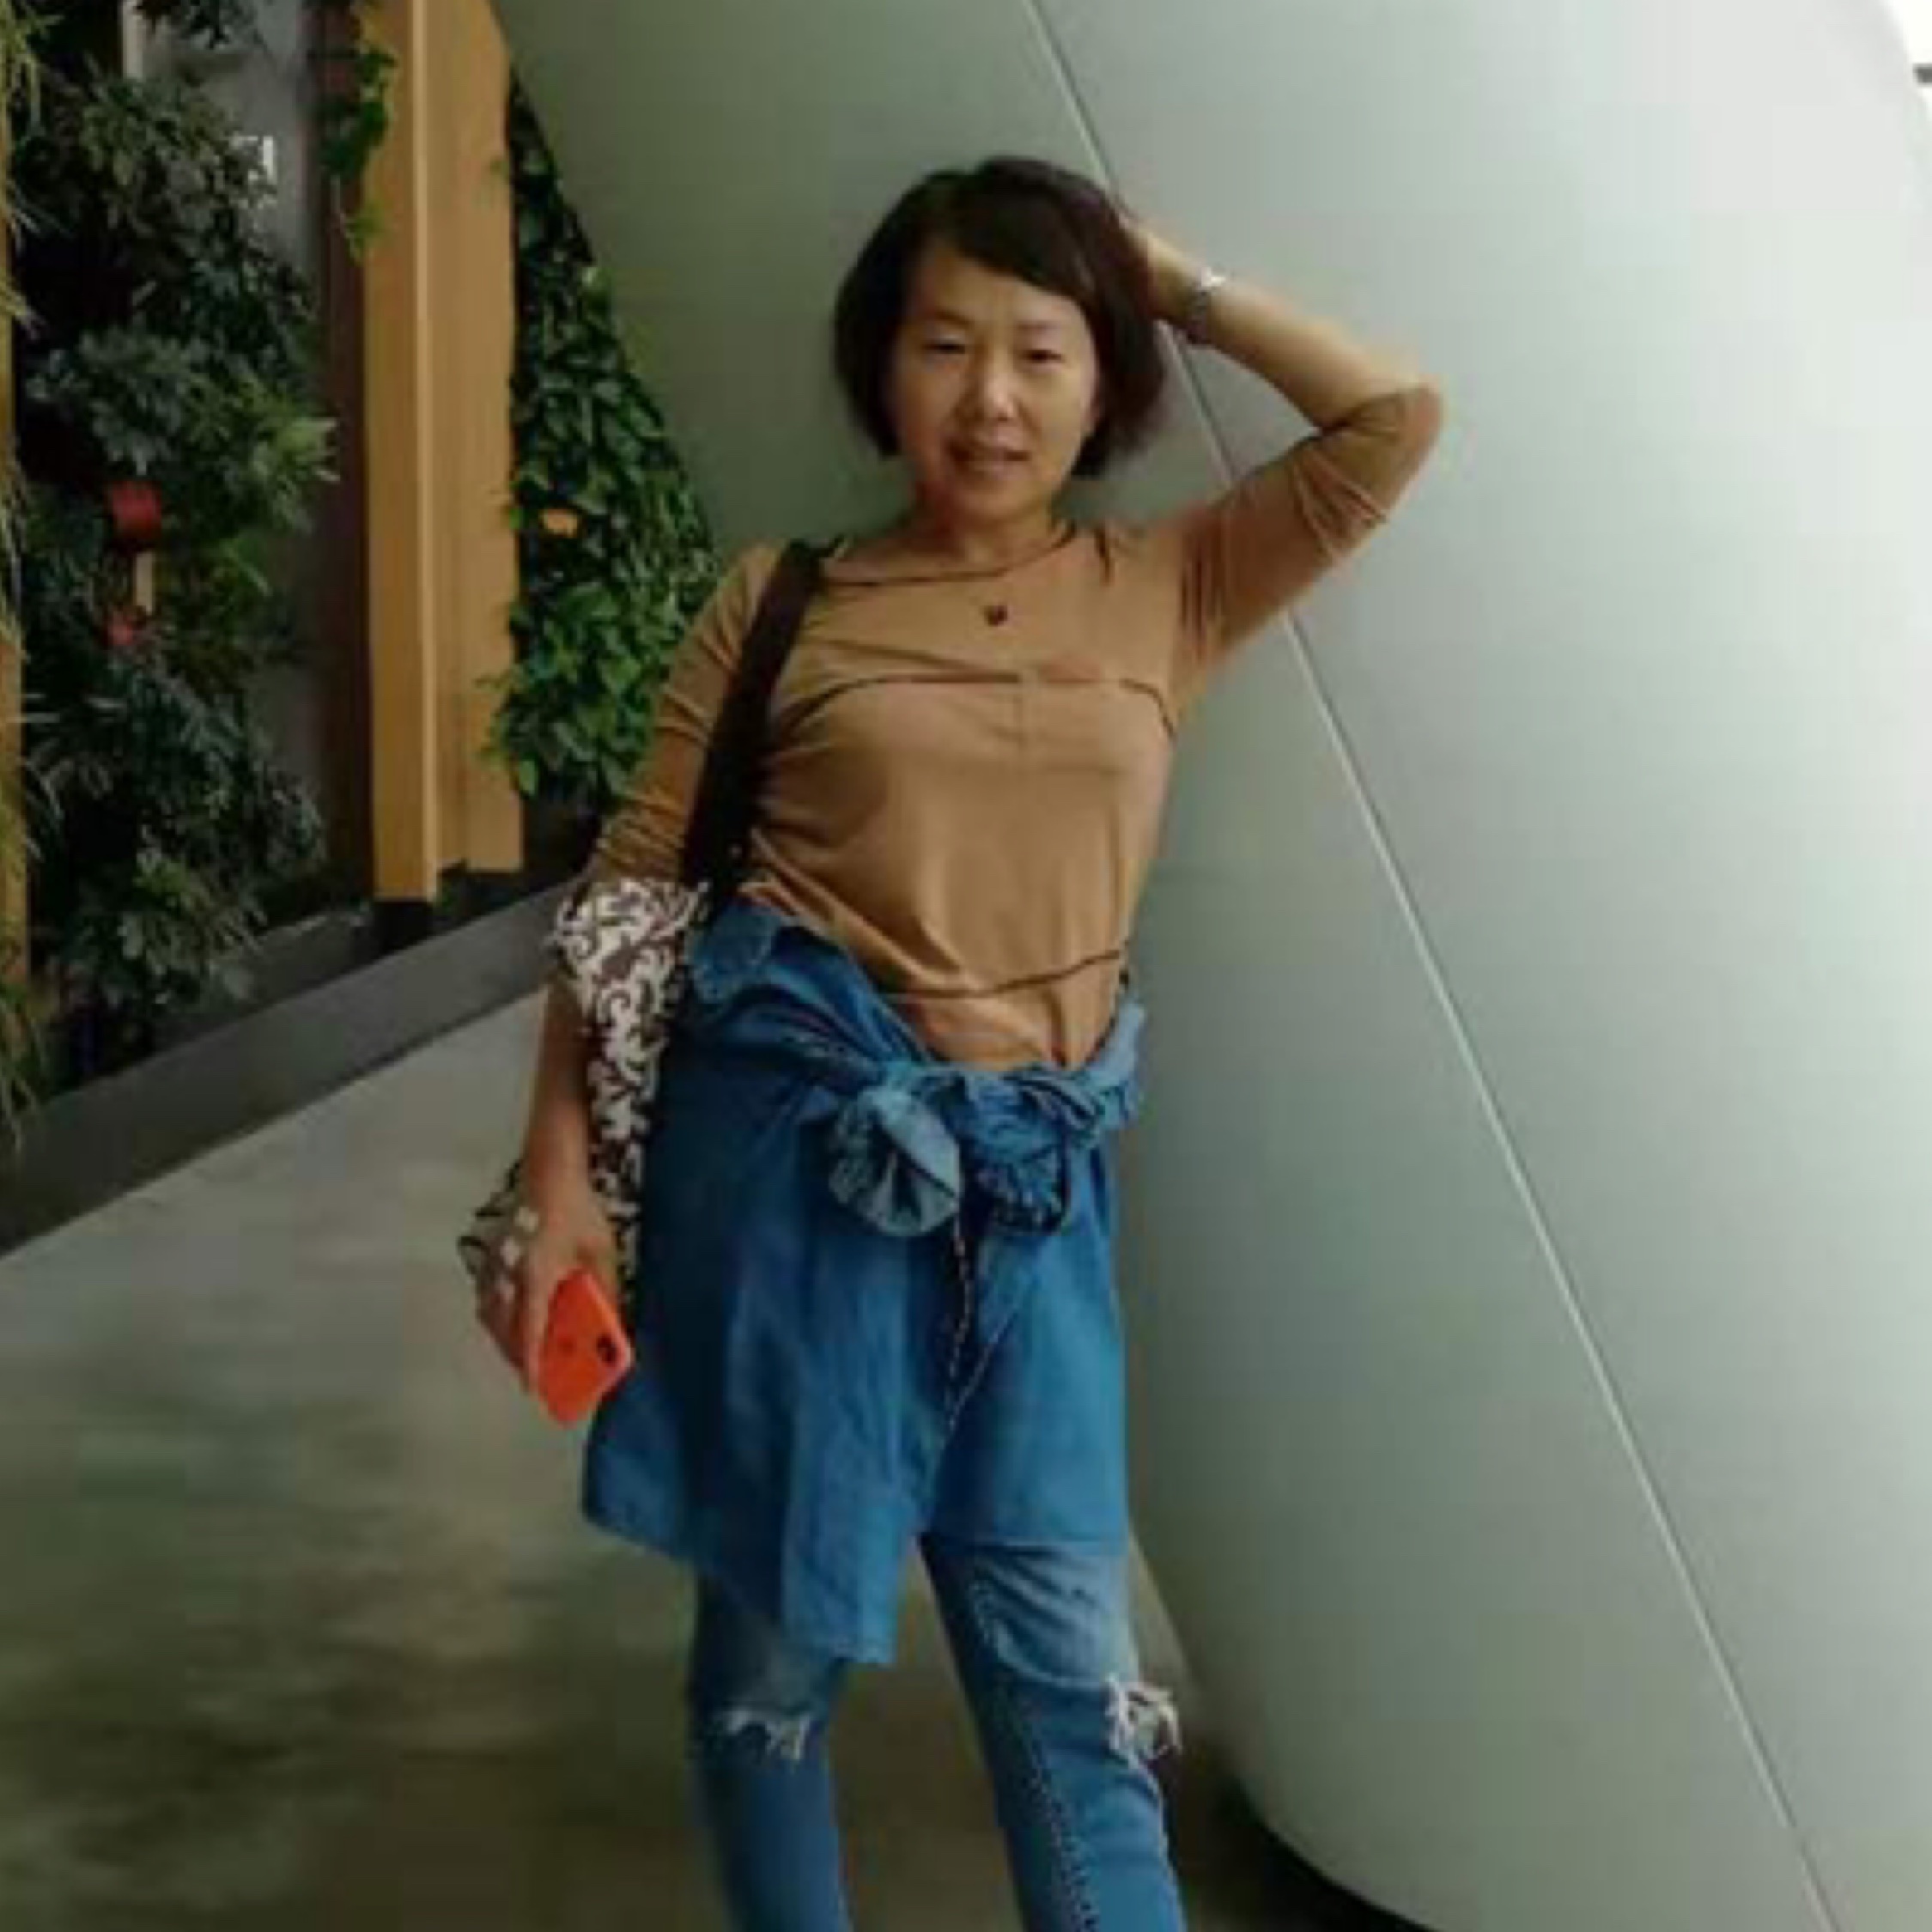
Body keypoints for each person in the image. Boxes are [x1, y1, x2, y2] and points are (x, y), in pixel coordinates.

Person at [491, 155, 1444, 1931]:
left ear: (1102, 382)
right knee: (768, 1675)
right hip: (793, 1193)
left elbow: (1392, 421)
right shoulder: (785, 600)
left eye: (1040, 349)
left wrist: (1169, 277)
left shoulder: (1170, 586)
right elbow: (630, 898)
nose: (990, 398)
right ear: (883, 367)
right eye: (945, 346)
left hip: (1030, 1203)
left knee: (1076, 1687)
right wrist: (561, 1180)